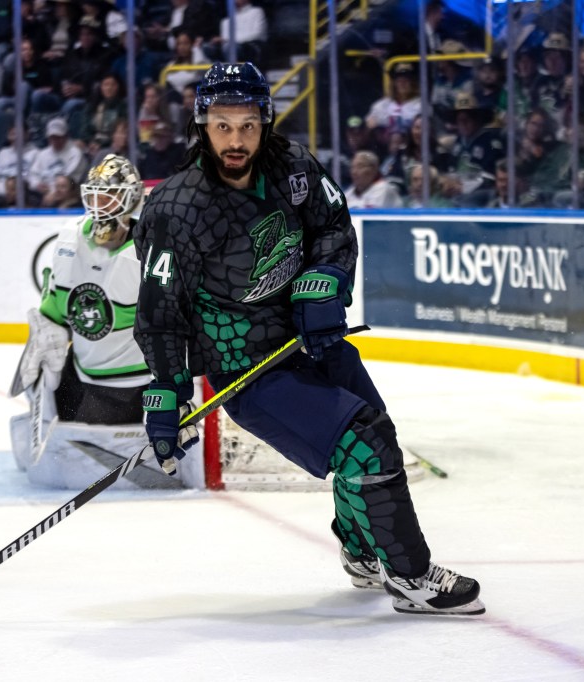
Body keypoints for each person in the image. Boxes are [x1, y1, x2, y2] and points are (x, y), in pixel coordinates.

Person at [132, 62, 484, 616]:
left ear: (265, 121)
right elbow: (160, 311)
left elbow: (333, 228)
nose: (236, 140)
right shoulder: (175, 209)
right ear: (202, 125)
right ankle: (412, 579)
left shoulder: (294, 166)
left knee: (375, 439)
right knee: (365, 442)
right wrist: (166, 391)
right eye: (223, 126)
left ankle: (365, 552)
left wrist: (323, 285)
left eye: (248, 125)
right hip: (249, 368)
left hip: (311, 340)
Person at [9, 154, 199, 489]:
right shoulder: (69, 240)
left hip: (134, 387)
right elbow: (54, 307)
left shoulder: (152, 250)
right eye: (93, 195)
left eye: (109, 195)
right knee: (45, 384)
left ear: (131, 198)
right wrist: (46, 330)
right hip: (84, 374)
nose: (100, 204)